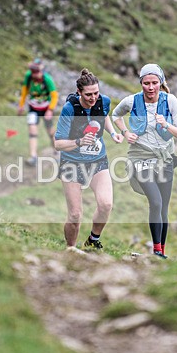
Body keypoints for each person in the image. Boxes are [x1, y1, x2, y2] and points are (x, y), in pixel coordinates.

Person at [112, 63, 177, 259]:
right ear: (141, 83)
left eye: (155, 82)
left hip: (165, 158)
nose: (151, 87)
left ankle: (161, 252)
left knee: (163, 206)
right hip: (140, 157)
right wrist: (125, 132)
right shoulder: (132, 101)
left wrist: (166, 125)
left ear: (161, 83)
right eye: (146, 83)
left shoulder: (170, 100)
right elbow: (115, 115)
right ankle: (156, 250)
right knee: (155, 202)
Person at [53, 68, 123, 250]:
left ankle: (93, 240)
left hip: (97, 161)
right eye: (88, 95)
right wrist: (79, 141)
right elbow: (58, 143)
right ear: (79, 93)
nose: (93, 98)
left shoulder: (103, 101)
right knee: (75, 215)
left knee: (106, 204)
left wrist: (113, 132)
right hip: (72, 164)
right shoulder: (70, 109)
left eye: (96, 93)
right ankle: (71, 249)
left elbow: (104, 115)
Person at [18, 58, 59, 166]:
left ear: (41, 70)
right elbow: (24, 91)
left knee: (50, 131)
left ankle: (57, 151)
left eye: (37, 72)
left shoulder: (47, 79)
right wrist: (21, 105)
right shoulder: (28, 76)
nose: (35, 74)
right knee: (32, 129)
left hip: (46, 108)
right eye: (33, 72)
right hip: (33, 108)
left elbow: (54, 96)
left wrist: (50, 110)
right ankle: (33, 156)